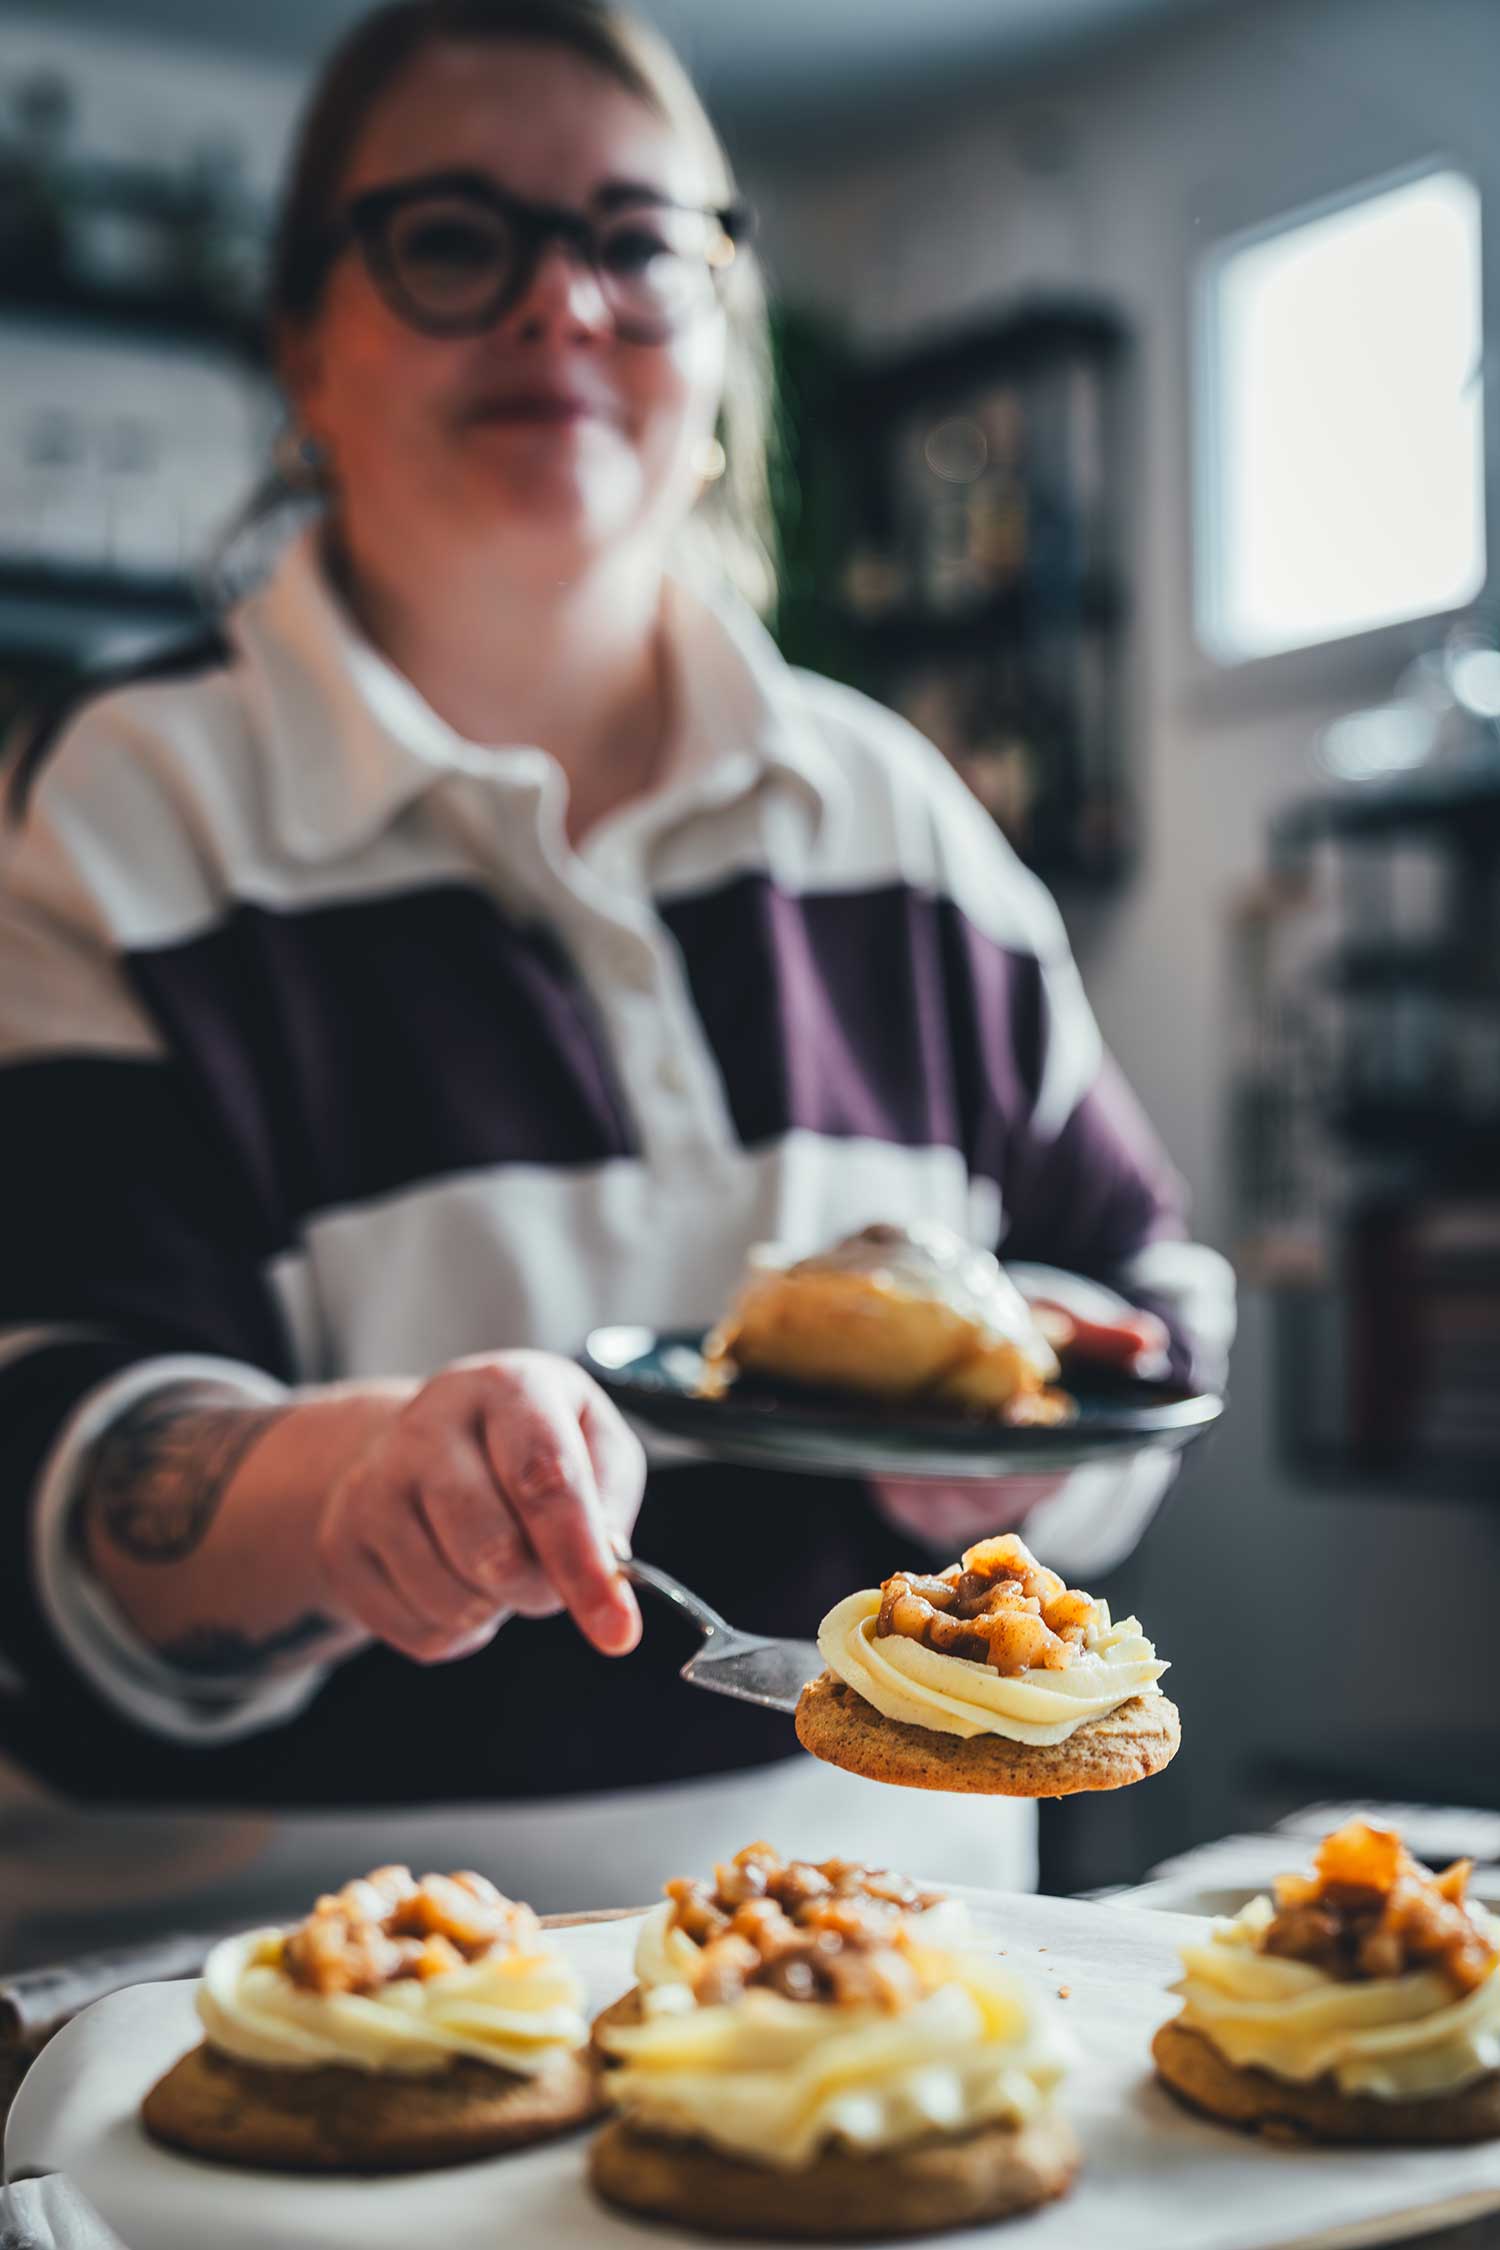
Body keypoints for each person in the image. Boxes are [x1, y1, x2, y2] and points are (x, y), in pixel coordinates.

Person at [0, 0, 1232, 1955]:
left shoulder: (895, 818)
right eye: (454, 239)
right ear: (303, 338)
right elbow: (58, 1483)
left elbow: (1149, 1295)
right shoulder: (120, 812)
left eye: (636, 244)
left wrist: (971, 1460)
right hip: (274, 2016)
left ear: (720, 341)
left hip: (907, 1997)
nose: (562, 307)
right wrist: (347, 1494)